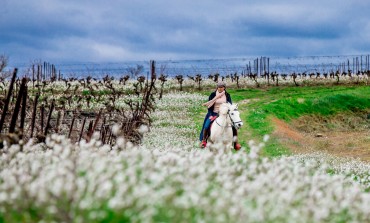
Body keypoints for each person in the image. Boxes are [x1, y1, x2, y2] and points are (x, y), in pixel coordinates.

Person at [199, 81, 241, 150]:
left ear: (224, 88)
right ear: (217, 87)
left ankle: (236, 143)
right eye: (219, 87)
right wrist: (210, 114)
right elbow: (209, 106)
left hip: (224, 114)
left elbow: (229, 105)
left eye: (221, 87)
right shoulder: (213, 94)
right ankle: (204, 141)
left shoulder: (227, 95)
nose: (220, 89)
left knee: (233, 126)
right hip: (213, 113)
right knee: (207, 124)